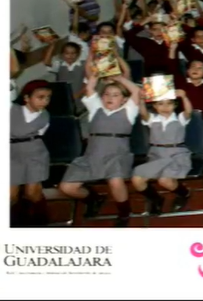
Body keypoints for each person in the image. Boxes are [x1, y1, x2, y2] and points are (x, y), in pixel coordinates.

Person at [59, 69, 143, 228]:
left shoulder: (128, 111)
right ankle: (94, 198)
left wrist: (119, 78)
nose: (110, 98)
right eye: (106, 94)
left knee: (115, 182)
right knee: (67, 187)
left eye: (115, 95)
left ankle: (124, 212)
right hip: (92, 155)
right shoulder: (96, 109)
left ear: (124, 100)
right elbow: (90, 88)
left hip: (117, 155)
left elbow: (136, 91)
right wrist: (95, 75)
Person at [131, 89, 194, 216]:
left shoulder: (179, 118)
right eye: (160, 104)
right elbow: (143, 113)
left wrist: (184, 97)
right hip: (157, 155)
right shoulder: (153, 119)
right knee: (137, 180)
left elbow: (188, 111)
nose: (165, 107)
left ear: (175, 105)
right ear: (154, 106)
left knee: (164, 180)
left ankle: (184, 193)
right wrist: (142, 100)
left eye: (169, 103)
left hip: (176, 155)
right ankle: (156, 199)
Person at [10, 80, 53, 227]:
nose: (45, 101)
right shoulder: (11, 109)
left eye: (48, 98)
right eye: (40, 97)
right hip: (12, 153)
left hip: (35, 154)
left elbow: (39, 134)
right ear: (27, 97)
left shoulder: (45, 116)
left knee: (32, 193)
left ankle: (41, 220)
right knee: (11, 196)